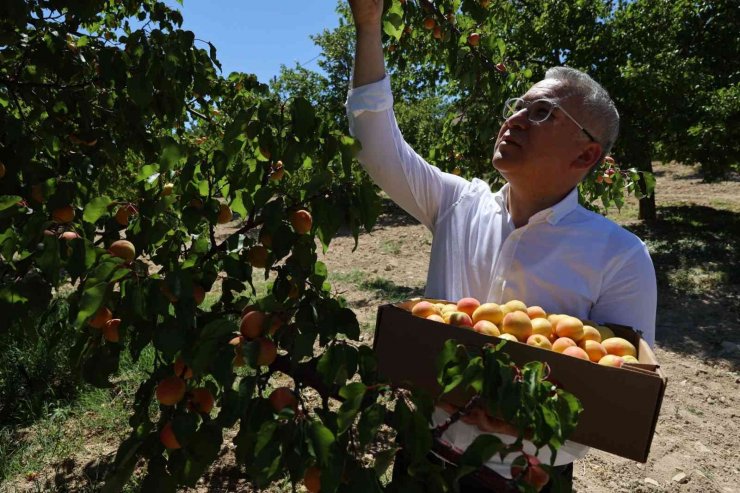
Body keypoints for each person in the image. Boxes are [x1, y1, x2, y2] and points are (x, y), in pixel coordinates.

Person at [345, 0, 657, 490]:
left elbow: (617, 392)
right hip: (425, 453)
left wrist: (524, 423)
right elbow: (374, 144)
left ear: (587, 153)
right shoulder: (457, 203)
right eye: (517, 106)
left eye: (541, 112)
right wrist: (368, 25)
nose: (514, 119)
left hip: (525, 476)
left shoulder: (619, 256)